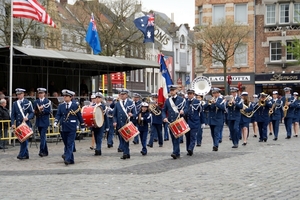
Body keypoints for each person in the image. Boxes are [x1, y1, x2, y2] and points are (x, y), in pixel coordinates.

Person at [54, 89, 85, 165]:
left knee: (69, 143)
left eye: (66, 96)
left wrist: (82, 125)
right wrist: (56, 121)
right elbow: (58, 114)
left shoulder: (75, 105)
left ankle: (67, 159)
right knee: (66, 143)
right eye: (64, 96)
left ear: (71, 97)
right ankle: (71, 159)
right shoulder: (61, 106)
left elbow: (79, 116)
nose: (65, 97)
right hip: (63, 127)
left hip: (72, 127)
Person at [162, 85, 185, 159]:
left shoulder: (181, 99)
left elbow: (186, 108)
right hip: (170, 121)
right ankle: (176, 152)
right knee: (173, 137)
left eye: (173, 90)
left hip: (178, 121)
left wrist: (183, 111)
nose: (171, 92)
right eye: (170, 90)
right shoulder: (167, 100)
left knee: (177, 136)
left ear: (176, 91)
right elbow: (163, 110)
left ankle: (175, 152)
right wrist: (164, 117)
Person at [11, 88, 34, 160]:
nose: (18, 96)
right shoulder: (15, 103)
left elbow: (32, 113)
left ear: (23, 94)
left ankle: (21, 154)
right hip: (18, 124)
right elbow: (13, 114)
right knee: (21, 140)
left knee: (25, 139)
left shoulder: (28, 102)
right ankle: (26, 154)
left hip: (26, 123)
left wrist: (28, 118)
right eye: (17, 94)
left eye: (20, 94)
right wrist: (12, 123)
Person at [113, 89, 136, 159]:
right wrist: (115, 121)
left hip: (127, 124)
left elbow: (135, 113)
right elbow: (114, 115)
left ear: (126, 95)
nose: (122, 96)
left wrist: (132, 115)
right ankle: (127, 152)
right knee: (121, 139)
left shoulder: (131, 103)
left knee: (126, 139)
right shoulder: (117, 104)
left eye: (123, 94)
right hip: (120, 124)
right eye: (121, 94)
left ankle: (125, 153)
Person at [184, 89, 205, 156]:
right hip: (186, 122)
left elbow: (201, 113)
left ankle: (191, 148)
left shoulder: (197, 102)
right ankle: (188, 149)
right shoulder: (185, 102)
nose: (189, 95)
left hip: (194, 122)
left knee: (193, 136)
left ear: (193, 94)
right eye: (188, 94)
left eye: (191, 94)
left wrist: (202, 122)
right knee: (187, 137)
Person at [33, 88, 51, 157]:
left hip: (45, 121)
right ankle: (45, 151)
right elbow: (34, 111)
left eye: (41, 93)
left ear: (44, 94)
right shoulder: (36, 102)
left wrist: (42, 110)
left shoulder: (47, 101)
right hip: (39, 120)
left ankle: (41, 151)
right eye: (39, 93)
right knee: (42, 136)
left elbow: (48, 111)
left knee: (42, 136)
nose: (40, 94)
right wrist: (36, 111)